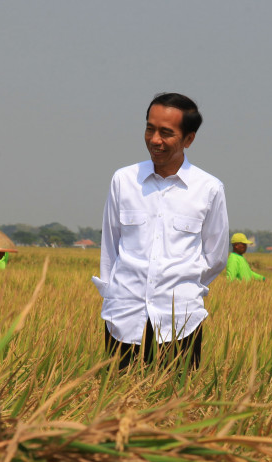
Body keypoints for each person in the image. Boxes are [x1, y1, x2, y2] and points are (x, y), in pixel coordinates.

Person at [93, 92, 229, 369]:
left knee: (176, 406)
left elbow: (215, 257)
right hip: (123, 318)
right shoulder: (124, 180)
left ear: (189, 139)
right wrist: (113, 296)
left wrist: (182, 284)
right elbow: (110, 246)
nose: (155, 140)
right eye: (150, 129)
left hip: (180, 321)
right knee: (118, 404)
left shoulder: (209, 188)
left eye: (166, 133)